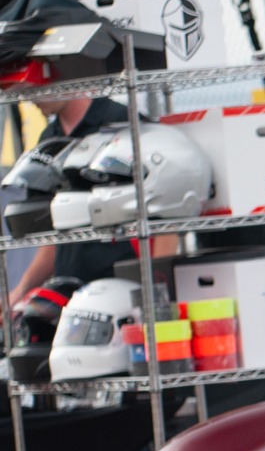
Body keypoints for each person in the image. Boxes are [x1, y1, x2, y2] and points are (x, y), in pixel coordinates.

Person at [6, 94, 157, 306]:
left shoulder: (121, 120)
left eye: (37, 87)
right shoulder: (48, 139)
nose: (30, 98)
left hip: (123, 286)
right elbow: (52, 234)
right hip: (68, 292)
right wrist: (19, 292)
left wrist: (158, 286)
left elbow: (161, 212)